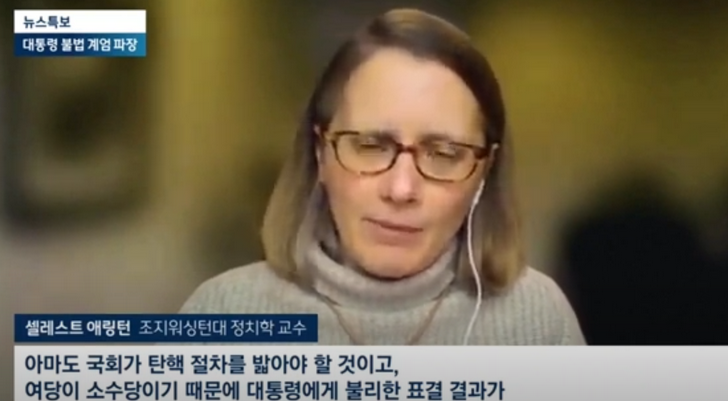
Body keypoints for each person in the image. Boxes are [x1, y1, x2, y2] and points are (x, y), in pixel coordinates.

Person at [180, 8, 585, 345]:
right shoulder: (224, 312)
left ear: (484, 170)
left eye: (444, 155)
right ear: (321, 152)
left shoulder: (538, 320)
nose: (401, 189)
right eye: (371, 146)